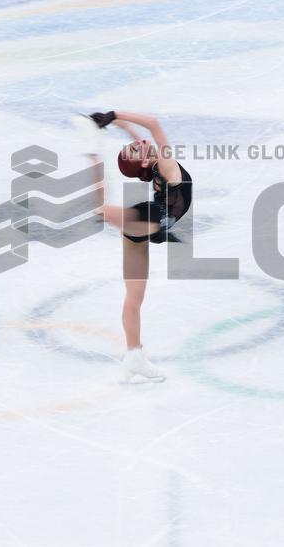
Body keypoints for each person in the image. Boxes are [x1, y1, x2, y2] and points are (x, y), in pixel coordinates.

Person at [80, 110, 193, 383]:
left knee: (134, 295)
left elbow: (139, 138)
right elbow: (153, 123)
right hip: (151, 219)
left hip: (150, 221)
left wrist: (114, 124)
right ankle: (92, 154)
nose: (139, 142)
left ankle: (134, 355)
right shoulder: (165, 163)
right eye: (135, 148)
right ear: (143, 160)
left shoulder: (152, 161)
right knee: (101, 212)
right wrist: (115, 114)